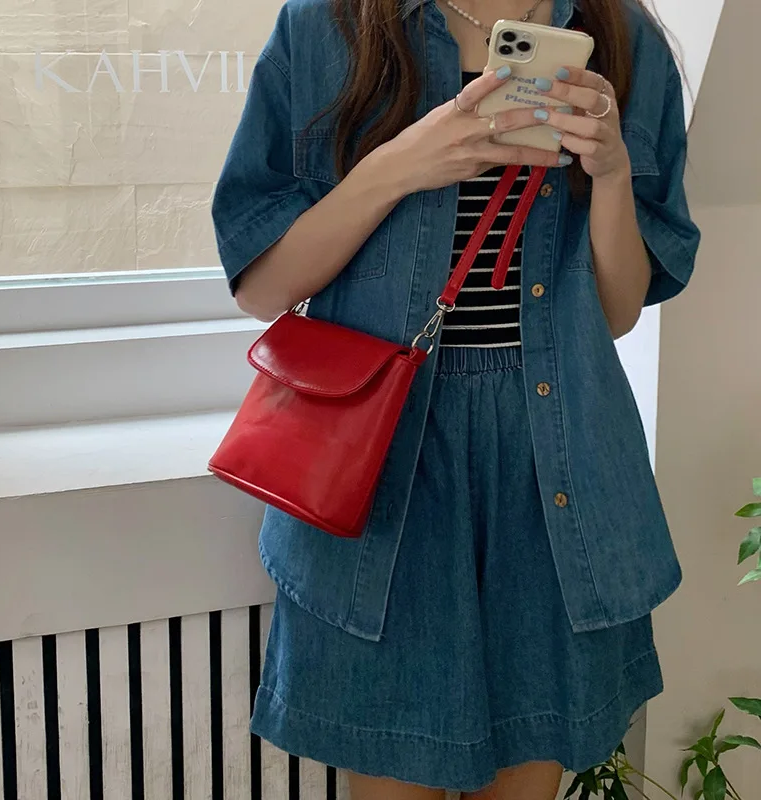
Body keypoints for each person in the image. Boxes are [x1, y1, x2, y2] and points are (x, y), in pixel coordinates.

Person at [211, 0, 700, 796]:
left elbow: (614, 314)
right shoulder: (328, 25)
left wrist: (611, 172)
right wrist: (398, 166)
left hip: (553, 462)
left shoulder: (618, 33)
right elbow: (263, 287)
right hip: (382, 466)